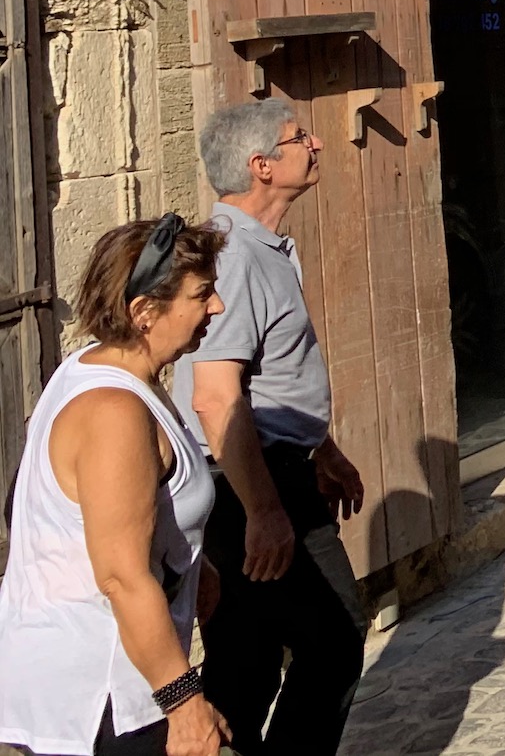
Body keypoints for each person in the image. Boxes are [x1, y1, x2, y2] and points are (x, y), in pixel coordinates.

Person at [173, 99, 366, 756]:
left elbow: (269, 377)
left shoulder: (262, 247)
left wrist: (322, 449)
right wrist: (263, 510)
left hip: (273, 471)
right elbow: (215, 395)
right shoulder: (231, 258)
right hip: (248, 485)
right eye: (299, 137)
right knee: (334, 640)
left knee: (245, 661)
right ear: (261, 165)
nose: (316, 144)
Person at [0, 214, 233, 756]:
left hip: (110, 682)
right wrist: (185, 705)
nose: (217, 307)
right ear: (144, 312)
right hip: (99, 696)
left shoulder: (98, 370)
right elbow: (121, 576)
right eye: (202, 294)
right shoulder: (114, 411)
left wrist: (193, 565)